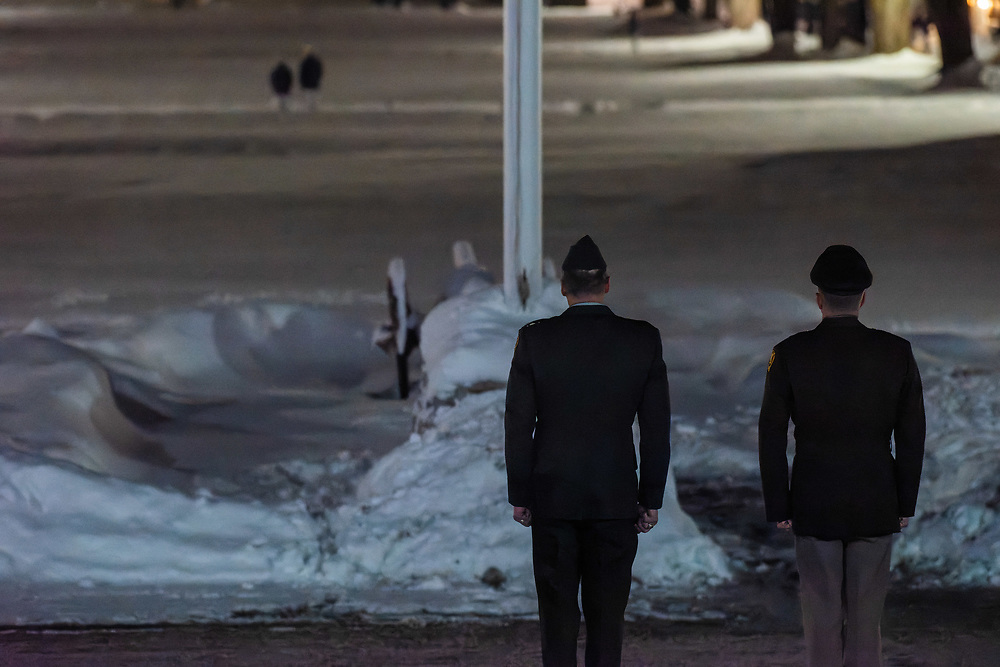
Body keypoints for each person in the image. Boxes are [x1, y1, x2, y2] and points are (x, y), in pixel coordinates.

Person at [504, 235, 671, 667]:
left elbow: (519, 424)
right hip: (614, 497)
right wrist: (650, 498)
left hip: (554, 496)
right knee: (607, 617)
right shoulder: (642, 340)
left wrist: (520, 494)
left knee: (557, 616)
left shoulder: (536, 340)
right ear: (607, 284)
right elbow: (655, 428)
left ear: (562, 286)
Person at [758, 244, 926, 667]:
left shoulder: (790, 353)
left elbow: (771, 434)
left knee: (821, 618)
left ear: (819, 298)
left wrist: (779, 503)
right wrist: (904, 503)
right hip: (875, 498)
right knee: (867, 621)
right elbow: (911, 436)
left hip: (814, 499)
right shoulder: (896, 353)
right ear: (863, 299)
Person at [298, 46, 323, 112]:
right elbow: (320, 72)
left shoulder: (304, 62)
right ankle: (314, 108)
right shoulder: (317, 62)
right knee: (314, 97)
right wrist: (318, 79)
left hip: (307, 83)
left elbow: (302, 73)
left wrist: (302, 83)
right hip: (315, 82)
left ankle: (309, 109)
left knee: (309, 97)